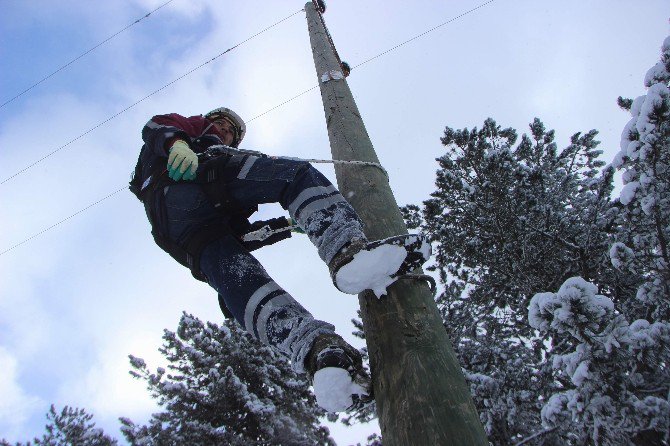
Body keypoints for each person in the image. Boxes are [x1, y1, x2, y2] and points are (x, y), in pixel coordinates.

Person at [129, 106, 430, 412]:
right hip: (195, 183)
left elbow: (244, 236)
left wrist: (286, 226)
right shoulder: (195, 133)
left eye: (230, 130)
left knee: (241, 283)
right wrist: (177, 143)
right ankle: (345, 248)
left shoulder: (216, 157)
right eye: (219, 123)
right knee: (294, 174)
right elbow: (156, 124)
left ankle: (320, 354)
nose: (223, 129)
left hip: (194, 231)